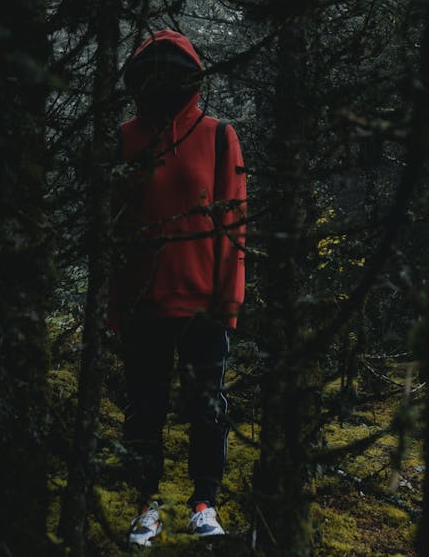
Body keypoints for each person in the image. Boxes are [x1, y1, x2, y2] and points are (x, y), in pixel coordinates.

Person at [108, 29, 247, 546]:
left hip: (204, 306)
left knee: (206, 409)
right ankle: (148, 507)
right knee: (144, 410)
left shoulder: (216, 135)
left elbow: (234, 223)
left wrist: (228, 303)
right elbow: (117, 231)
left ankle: (204, 504)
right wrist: (115, 304)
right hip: (143, 305)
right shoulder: (125, 139)